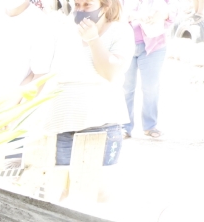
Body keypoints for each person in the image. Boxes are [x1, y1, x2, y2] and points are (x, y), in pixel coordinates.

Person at [24, 0, 132, 175]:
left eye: (87, 5)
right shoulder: (64, 30)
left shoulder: (120, 31)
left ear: (104, 7)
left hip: (100, 127)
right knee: (61, 189)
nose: (81, 10)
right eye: (77, 5)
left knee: (96, 191)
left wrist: (93, 39)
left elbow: (111, 72)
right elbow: (43, 72)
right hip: (61, 127)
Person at [121, 0, 171, 138]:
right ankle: (124, 127)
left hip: (154, 46)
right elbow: (113, 13)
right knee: (126, 88)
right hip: (125, 45)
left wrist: (163, 14)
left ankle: (150, 126)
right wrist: (135, 15)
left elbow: (173, 11)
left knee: (150, 87)